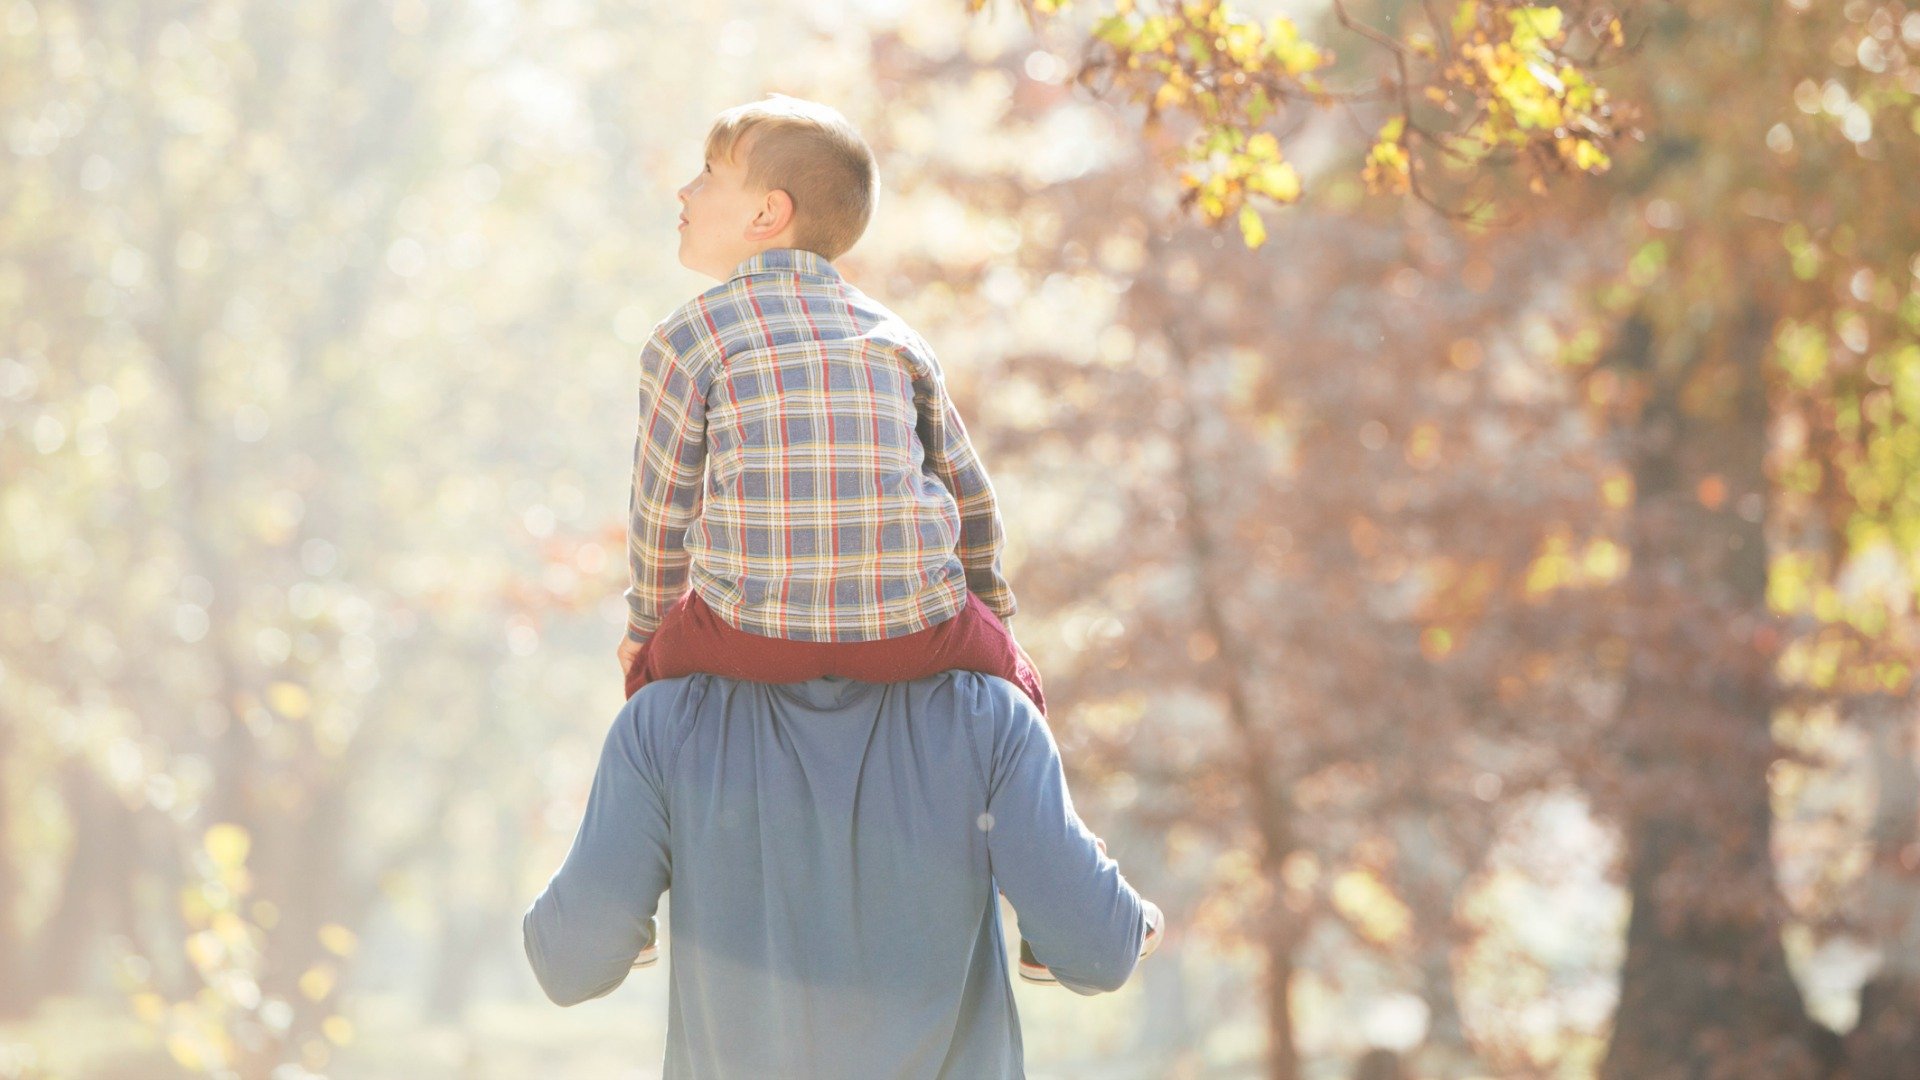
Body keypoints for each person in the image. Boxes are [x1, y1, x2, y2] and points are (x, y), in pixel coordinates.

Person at [613, 93, 1045, 720]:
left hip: (750, 634)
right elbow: (969, 494)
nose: (684, 191)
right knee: (1018, 694)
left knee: (647, 689)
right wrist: (993, 619)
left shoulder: (688, 337)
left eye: (707, 173)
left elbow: (661, 509)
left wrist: (646, 630)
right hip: (910, 630)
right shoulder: (896, 337)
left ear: (767, 212)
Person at [524, 671, 1164, 1079]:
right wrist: (1139, 920)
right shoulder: (987, 717)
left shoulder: (665, 724)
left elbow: (570, 963)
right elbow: (1098, 951)